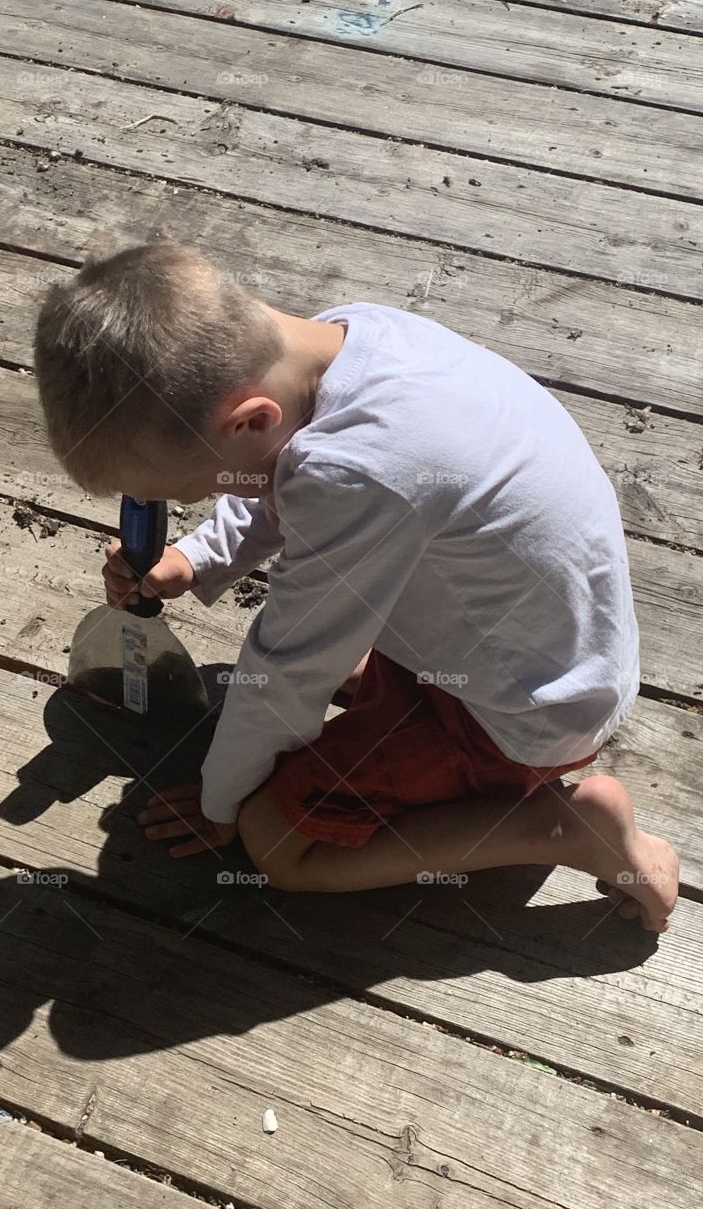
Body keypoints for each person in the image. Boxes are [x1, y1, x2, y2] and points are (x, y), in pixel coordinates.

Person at [34, 242, 678, 932]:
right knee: (273, 695)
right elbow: (274, 475)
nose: (218, 493)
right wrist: (194, 557)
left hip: (524, 718)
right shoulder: (350, 338)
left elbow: (287, 672)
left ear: (253, 419)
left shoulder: (361, 474)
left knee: (277, 842)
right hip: (536, 648)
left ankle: (568, 829)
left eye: (202, 485)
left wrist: (222, 800)